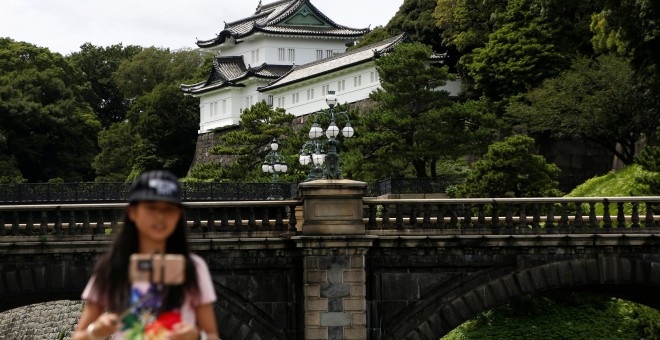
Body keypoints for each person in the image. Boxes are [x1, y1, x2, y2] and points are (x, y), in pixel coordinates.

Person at [72, 170, 220, 340]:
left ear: (179, 215)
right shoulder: (113, 266)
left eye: (168, 209)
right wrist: (94, 332)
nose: (160, 216)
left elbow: (212, 335)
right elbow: (78, 336)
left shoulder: (193, 267)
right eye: (151, 208)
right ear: (133, 212)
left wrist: (196, 336)